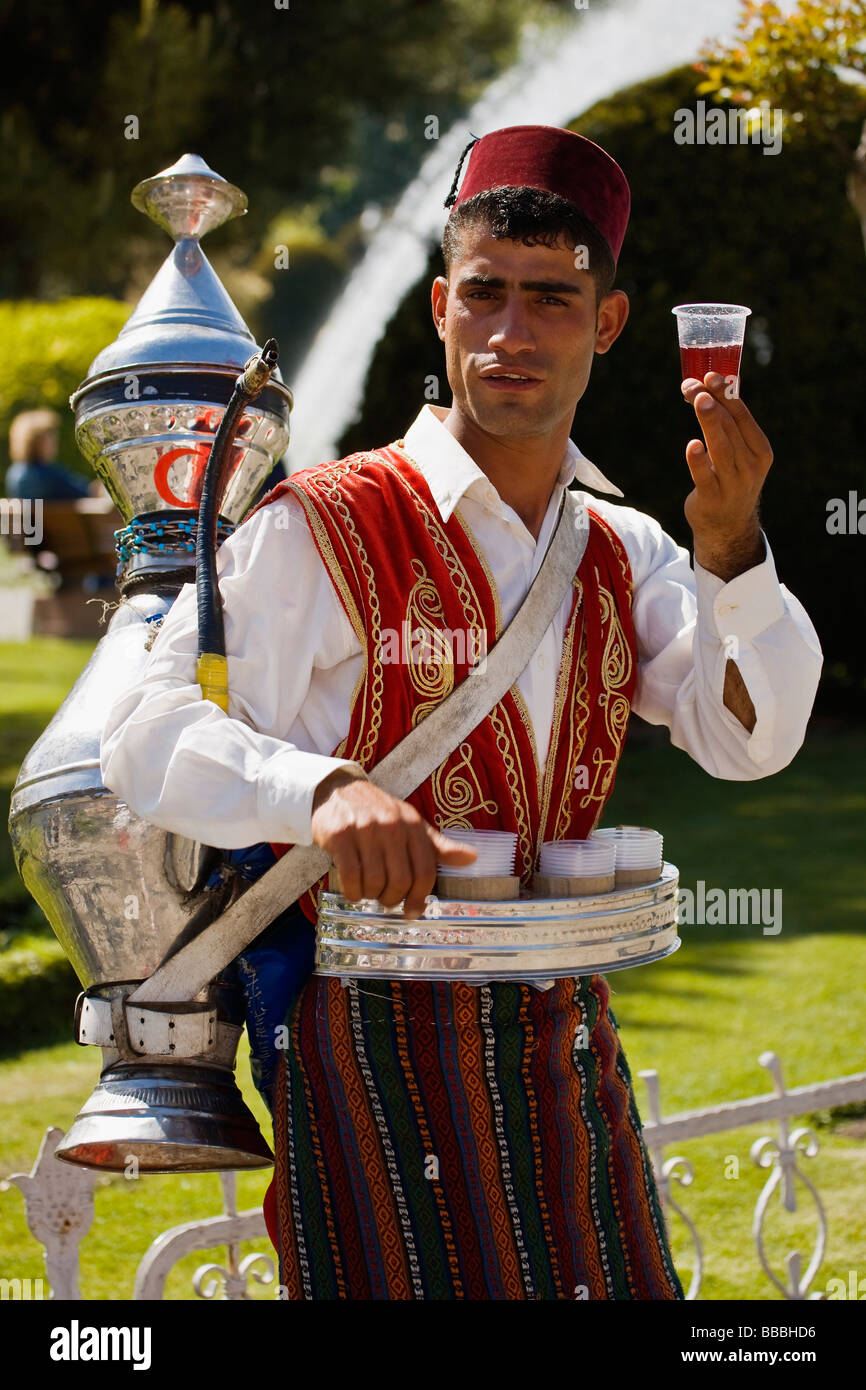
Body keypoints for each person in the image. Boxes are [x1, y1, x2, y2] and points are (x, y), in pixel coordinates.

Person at [100, 125, 822, 1300]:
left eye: (550, 298)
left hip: (568, 1045)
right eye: (483, 292)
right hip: (375, 1057)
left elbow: (746, 740)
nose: (509, 330)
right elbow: (145, 731)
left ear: (609, 323)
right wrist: (320, 791)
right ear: (440, 306)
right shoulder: (322, 526)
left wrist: (732, 548)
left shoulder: (623, 551)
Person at [5, 409, 90, 500]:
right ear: (36, 442)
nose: (55, 444)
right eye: (50, 439)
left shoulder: (13, 473)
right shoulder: (48, 474)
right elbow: (86, 492)